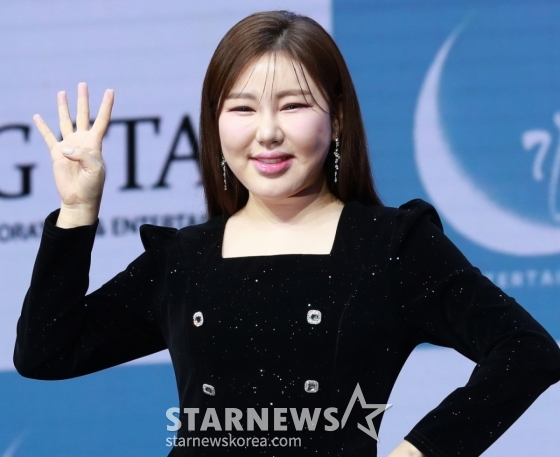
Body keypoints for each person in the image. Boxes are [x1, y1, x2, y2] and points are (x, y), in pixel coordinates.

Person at [13, 10, 560, 457]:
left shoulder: (389, 246)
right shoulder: (184, 259)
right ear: (216, 123)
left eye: (293, 105)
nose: (268, 132)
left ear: (337, 118)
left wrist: (419, 452)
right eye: (242, 108)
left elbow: (528, 351)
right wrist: (77, 210)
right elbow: (46, 353)